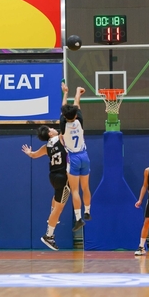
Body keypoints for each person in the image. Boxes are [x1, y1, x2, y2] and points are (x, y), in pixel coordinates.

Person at [22, 125, 71, 250]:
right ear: (50, 133)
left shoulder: (46, 147)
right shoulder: (61, 138)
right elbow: (67, 126)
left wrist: (29, 152)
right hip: (63, 177)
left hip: (53, 176)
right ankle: (48, 235)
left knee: (56, 197)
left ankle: (52, 216)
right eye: (51, 128)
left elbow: (34, 155)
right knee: (59, 208)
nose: (54, 128)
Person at [60, 82, 91, 232]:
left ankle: (78, 218)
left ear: (65, 116)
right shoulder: (79, 122)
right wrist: (78, 93)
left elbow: (64, 109)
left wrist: (65, 92)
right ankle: (88, 211)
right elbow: (76, 105)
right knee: (86, 187)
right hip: (84, 155)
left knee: (75, 190)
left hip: (73, 158)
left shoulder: (63, 125)